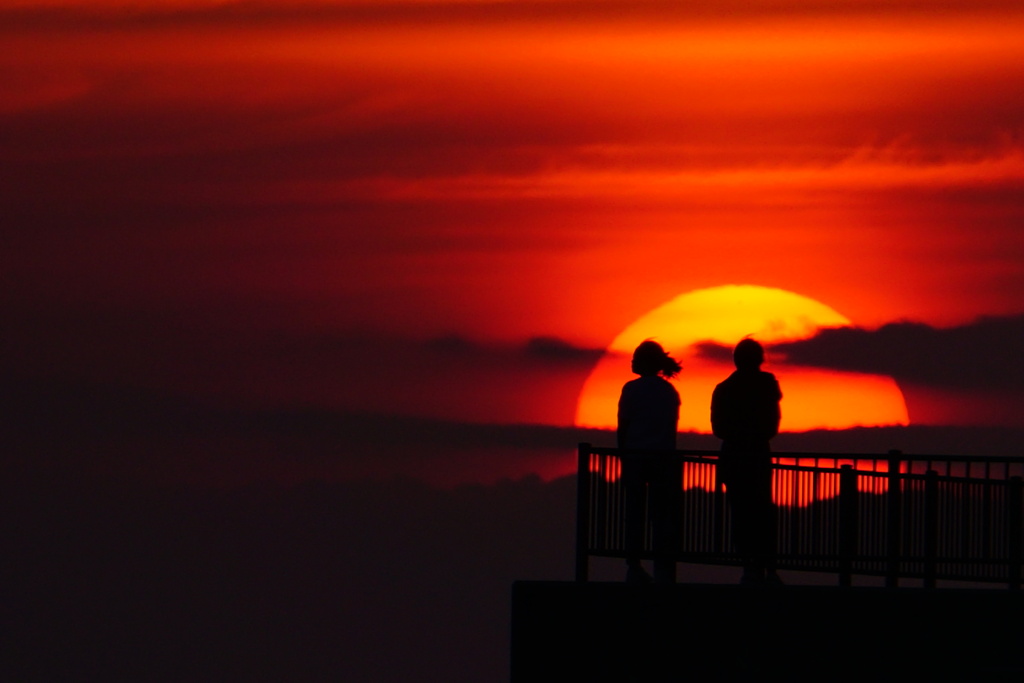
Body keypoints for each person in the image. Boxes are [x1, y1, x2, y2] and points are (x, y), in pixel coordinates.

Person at [711, 338, 783, 586]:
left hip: (733, 457)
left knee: (740, 513)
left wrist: (737, 434)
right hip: (758, 456)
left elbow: (718, 429)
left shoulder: (723, 388)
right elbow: (772, 425)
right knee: (763, 512)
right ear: (759, 359)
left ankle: (748, 566)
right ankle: (769, 568)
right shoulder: (767, 385)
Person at [617, 340, 682, 585]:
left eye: (635, 357)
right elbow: (671, 429)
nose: (631, 361)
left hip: (635, 458)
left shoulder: (631, 389)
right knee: (661, 515)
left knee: (634, 513)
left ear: (643, 362)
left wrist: (623, 456)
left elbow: (624, 426)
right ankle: (662, 568)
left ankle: (633, 565)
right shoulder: (668, 391)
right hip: (663, 460)